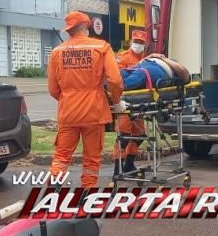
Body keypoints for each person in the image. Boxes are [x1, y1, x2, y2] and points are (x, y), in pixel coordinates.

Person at [47, 11, 123, 188]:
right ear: (86, 26)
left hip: (68, 114)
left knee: (61, 157)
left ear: (69, 30)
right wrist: (116, 101)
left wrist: (68, 99)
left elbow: (52, 89)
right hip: (94, 113)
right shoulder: (101, 47)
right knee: (91, 161)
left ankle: (53, 190)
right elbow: (115, 80)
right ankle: (86, 196)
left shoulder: (57, 52)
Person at [113, 30, 149, 175]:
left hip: (140, 101)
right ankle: (118, 168)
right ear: (130, 42)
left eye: (141, 42)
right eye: (136, 42)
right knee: (123, 136)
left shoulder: (146, 60)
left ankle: (129, 164)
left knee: (139, 135)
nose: (138, 45)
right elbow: (117, 79)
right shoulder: (122, 57)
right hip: (125, 102)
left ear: (145, 44)